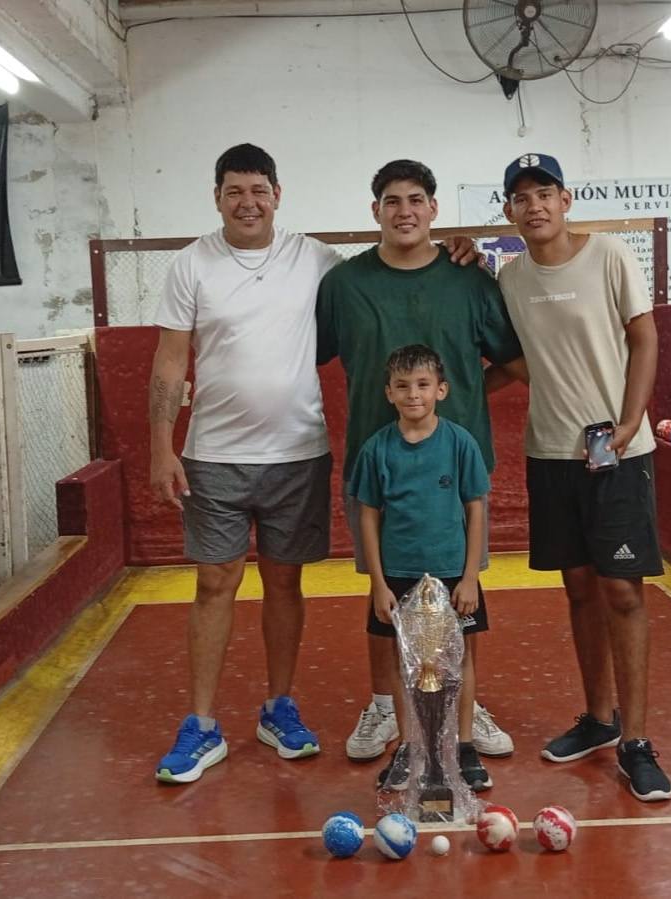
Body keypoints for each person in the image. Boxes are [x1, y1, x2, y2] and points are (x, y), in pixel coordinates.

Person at [148, 144, 481, 785]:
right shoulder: (190, 264)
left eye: (259, 190)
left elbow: (394, 257)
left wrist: (458, 245)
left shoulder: (317, 260)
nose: (248, 202)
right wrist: (161, 445)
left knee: (283, 584)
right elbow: (168, 363)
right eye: (234, 191)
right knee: (215, 584)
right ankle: (201, 724)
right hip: (212, 455)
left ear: (278, 194)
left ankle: (280, 707)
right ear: (217, 197)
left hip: (297, 454)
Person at [316, 159, 521, 764]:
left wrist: (461, 398)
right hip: (374, 471)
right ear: (375, 211)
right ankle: (384, 704)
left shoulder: (471, 281)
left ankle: (463, 707)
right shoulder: (344, 285)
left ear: (433, 209)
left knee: (462, 593)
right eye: (391, 200)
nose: (404, 211)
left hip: (454, 474)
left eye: (415, 199)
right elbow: (308, 354)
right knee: (385, 593)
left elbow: (514, 360)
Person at [496, 152, 671, 801]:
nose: (534, 204)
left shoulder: (608, 256)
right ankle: (599, 718)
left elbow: (644, 337)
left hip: (616, 453)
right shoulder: (508, 279)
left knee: (621, 591)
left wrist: (629, 421)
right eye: (521, 197)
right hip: (550, 454)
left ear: (564, 199)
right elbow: (517, 361)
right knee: (576, 586)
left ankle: (637, 740)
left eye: (544, 191)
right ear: (509, 211)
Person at [351, 344, 493, 792]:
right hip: (398, 574)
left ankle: (465, 746)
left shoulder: (459, 443)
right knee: (404, 661)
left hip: (451, 573)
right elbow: (368, 514)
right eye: (403, 386)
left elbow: (475, 508)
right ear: (388, 393)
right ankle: (410, 746)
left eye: (423, 385)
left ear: (442, 390)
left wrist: (470, 575)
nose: (414, 394)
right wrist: (378, 582)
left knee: (462, 658)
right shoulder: (377, 450)